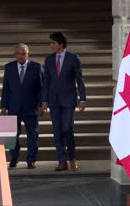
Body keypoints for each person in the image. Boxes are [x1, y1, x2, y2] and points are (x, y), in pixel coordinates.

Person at [41, 32, 86, 171]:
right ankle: (62, 161)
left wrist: (82, 99)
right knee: (56, 131)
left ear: (61, 44)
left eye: (53, 43)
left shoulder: (73, 58)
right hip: (53, 100)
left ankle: (72, 158)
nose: (51, 45)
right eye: (51, 43)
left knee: (67, 129)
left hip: (68, 100)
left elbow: (79, 79)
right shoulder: (48, 60)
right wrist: (44, 100)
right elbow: (46, 82)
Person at [1, 43, 44, 169]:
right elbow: (6, 89)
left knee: (33, 135)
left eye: (23, 53)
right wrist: (4, 106)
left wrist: (42, 104)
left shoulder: (36, 67)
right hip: (14, 107)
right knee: (13, 135)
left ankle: (31, 160)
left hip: (31, 107)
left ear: (28, 54)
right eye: (18, 54)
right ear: (15, 55)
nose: (21, 56)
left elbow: (41, 88)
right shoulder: (9, 68)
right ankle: (14, 158)